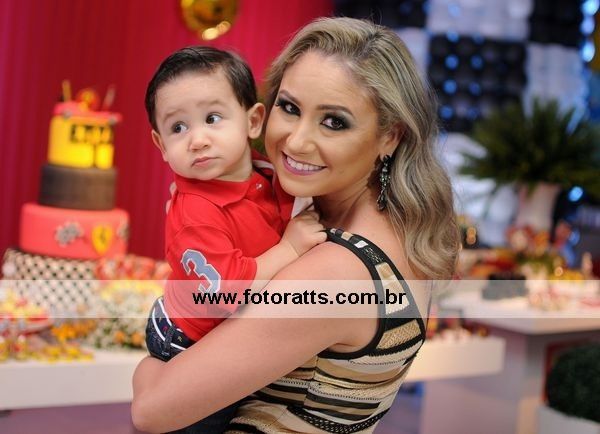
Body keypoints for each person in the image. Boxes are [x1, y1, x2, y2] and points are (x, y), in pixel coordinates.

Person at [133, 17, 460, 433]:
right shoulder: (394, 229)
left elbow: (151, 411)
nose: (297, 141)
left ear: (389, 137)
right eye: (289, 108)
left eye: (334, 121)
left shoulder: (335, 272)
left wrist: (146, 370)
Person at [142, 46, 326, 432]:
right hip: (188, 338)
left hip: (225, 328)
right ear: (161, 146)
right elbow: (229, 291)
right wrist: (290, 248)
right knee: (204, 423)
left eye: (212, 118)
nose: (197, 140)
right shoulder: (195, 214)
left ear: (253, 121)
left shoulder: (266, 173)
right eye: (178, 128)